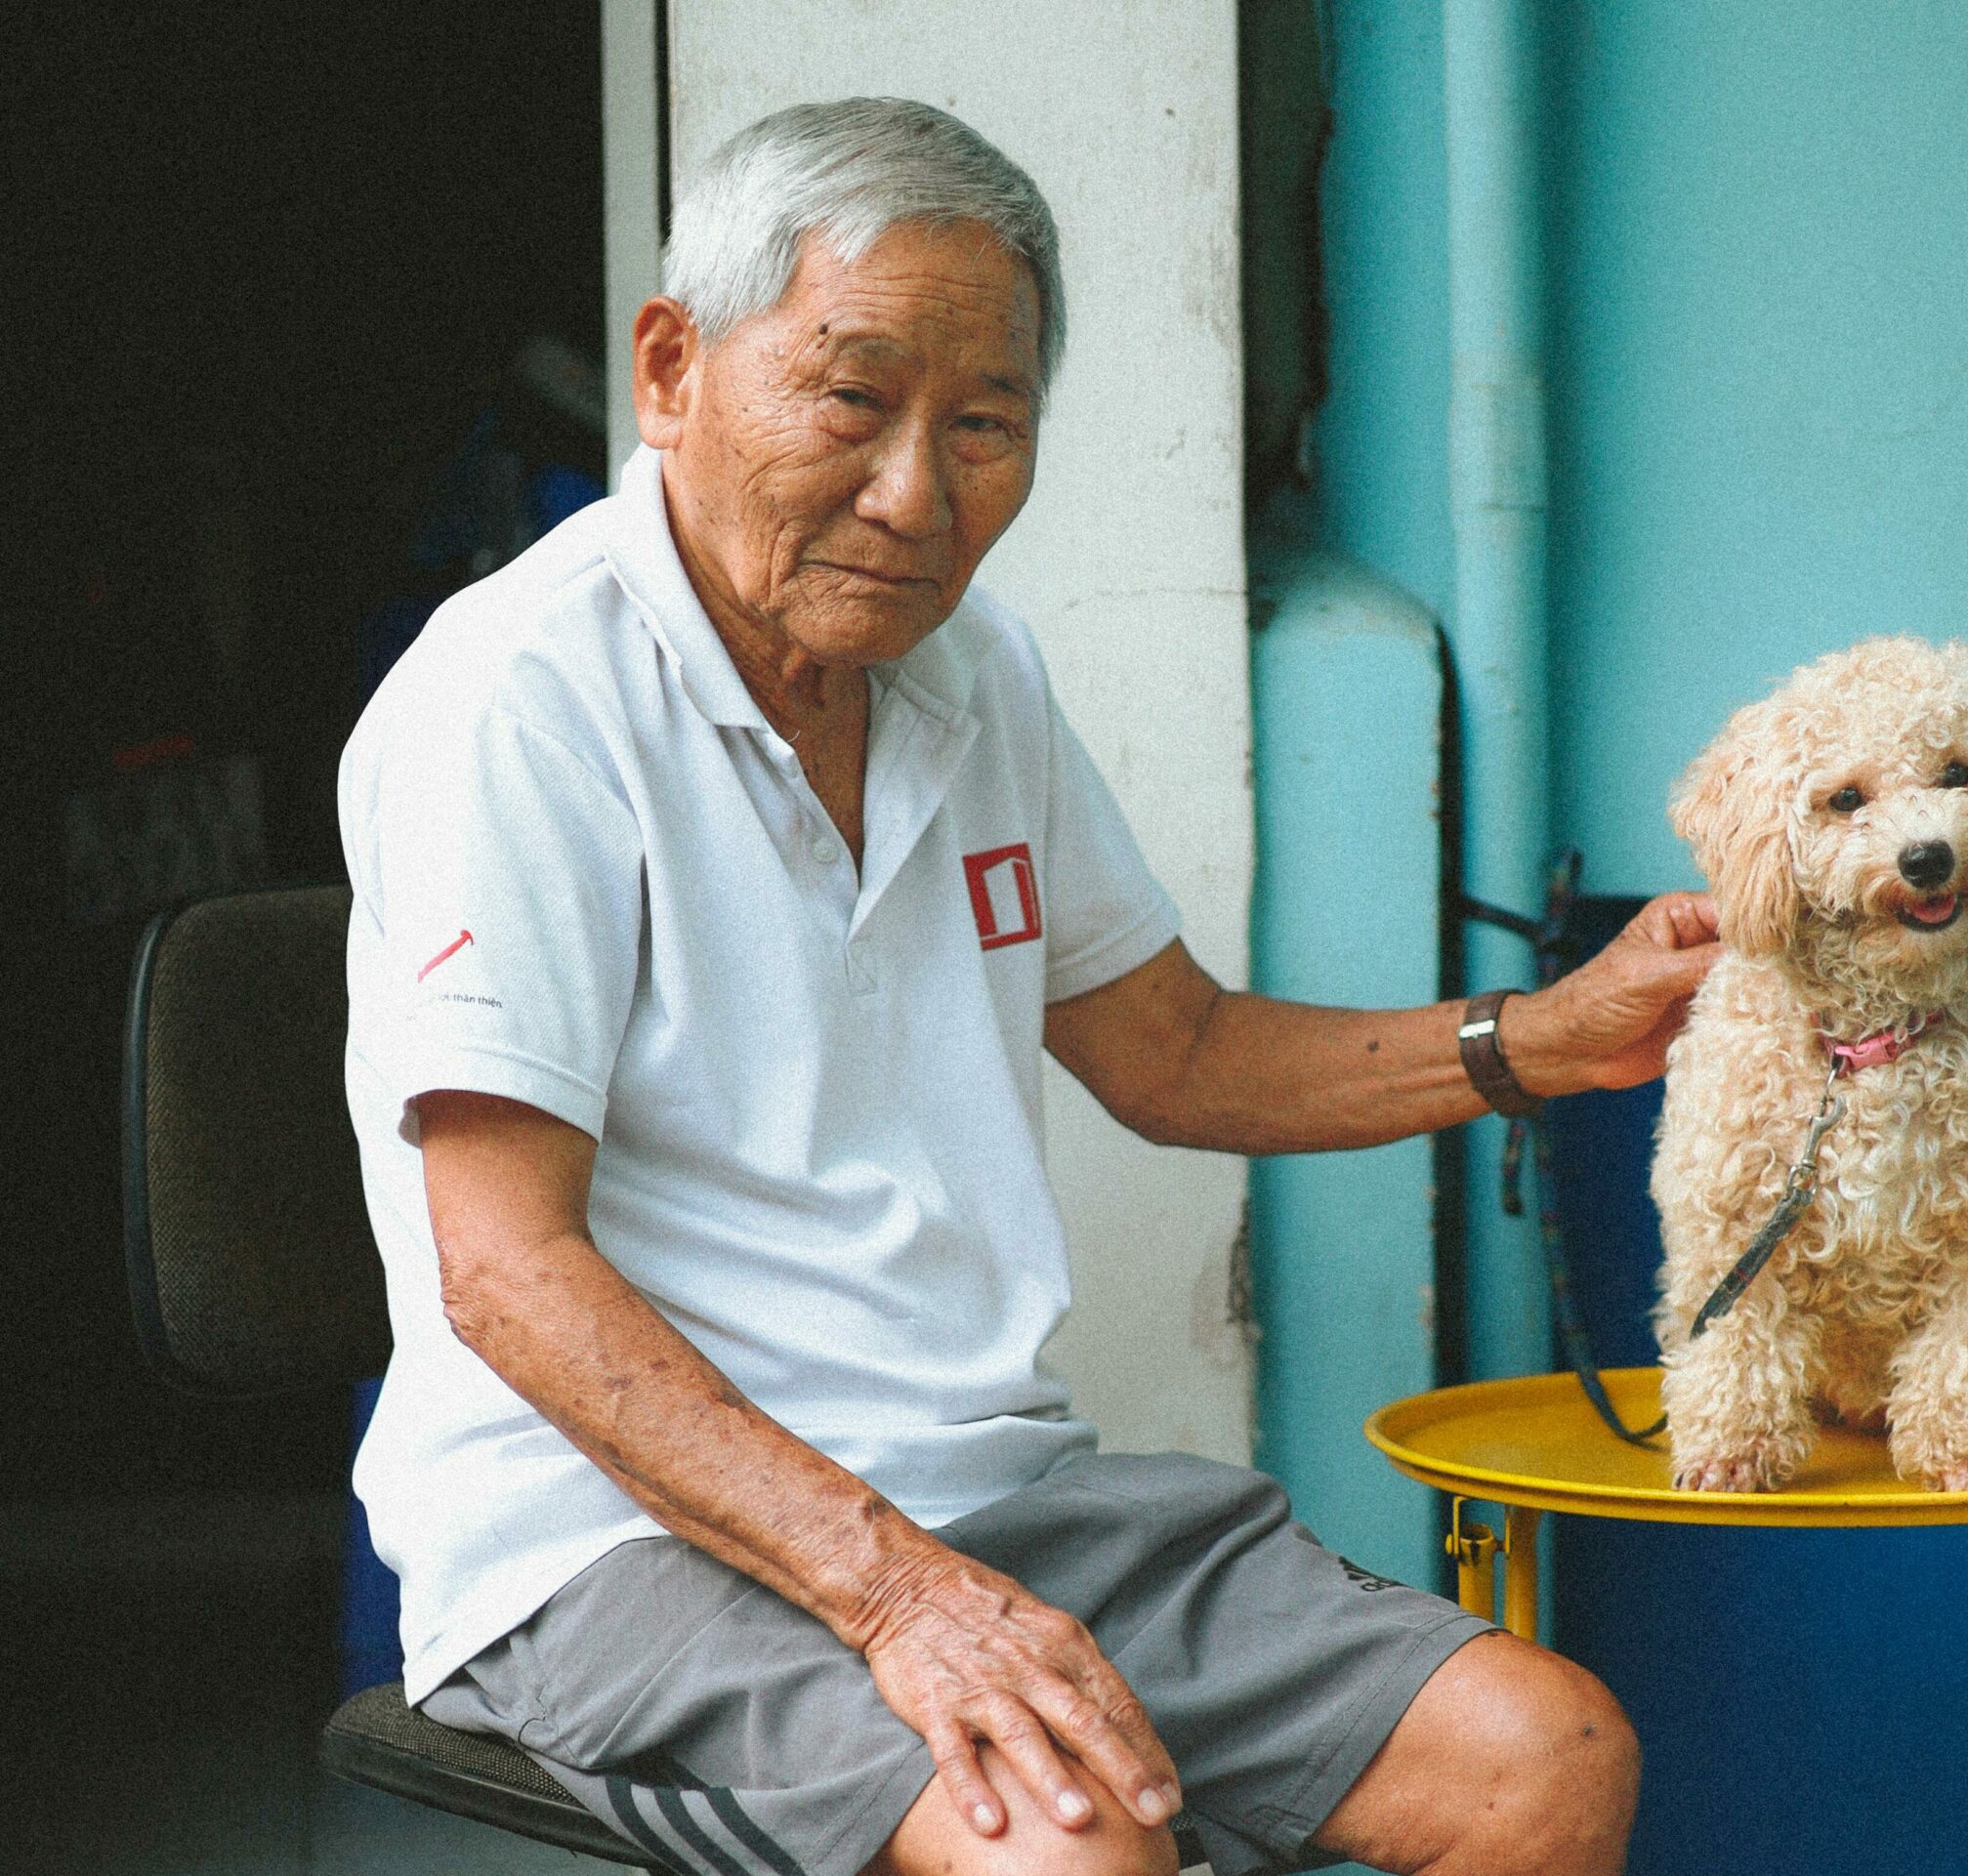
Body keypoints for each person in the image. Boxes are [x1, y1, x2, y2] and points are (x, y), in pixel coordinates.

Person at [340, 99, 1720, 1876]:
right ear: (672, 369)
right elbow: (504, 1272)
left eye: (983, 423)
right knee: (1069, 1847)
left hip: (989, 1500)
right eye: (853, 397)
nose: (917, 492)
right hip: (608, 1541)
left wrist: (1545, 1040)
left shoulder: (969, 672)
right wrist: (904, 1594)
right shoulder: (519, 699)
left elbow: (1179, 1048)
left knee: (1545, 1754)